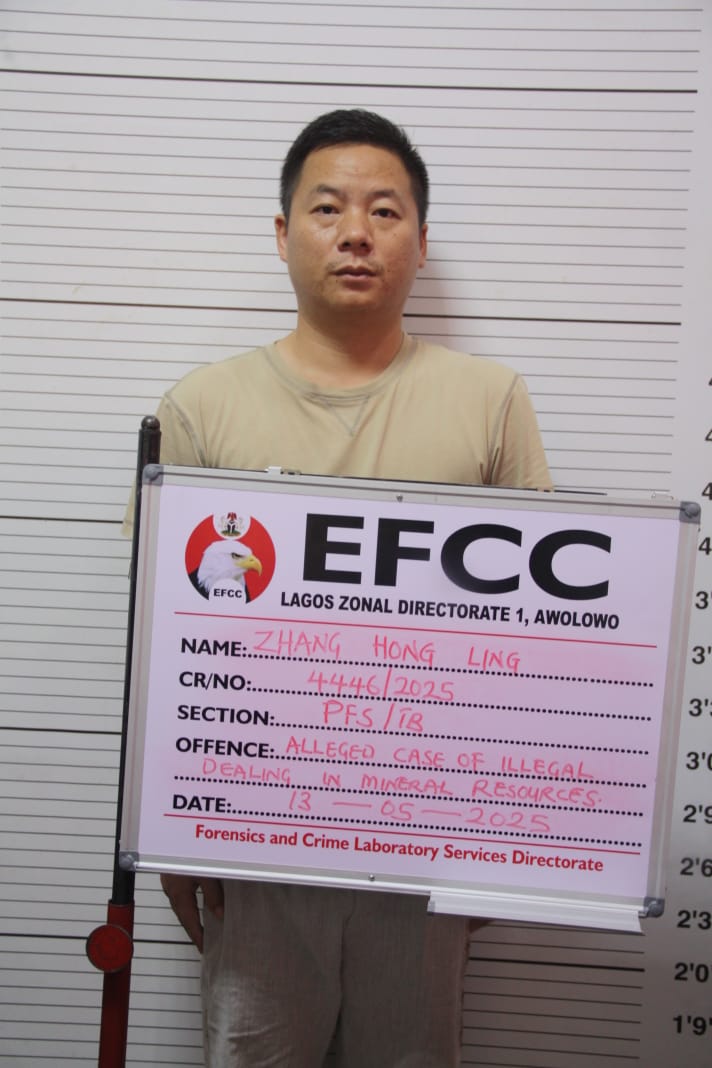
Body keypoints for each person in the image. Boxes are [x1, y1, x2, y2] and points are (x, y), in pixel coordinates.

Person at [141, 109, 552, 1067]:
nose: (356, 232)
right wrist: (159, 830)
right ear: (284, 233)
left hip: (427, 841)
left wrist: (512, 845)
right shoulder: (201, 407)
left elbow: (533, 643)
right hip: (250, 840)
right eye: (327, 208)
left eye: (385, 211)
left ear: (421, 240)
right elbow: (161, 639)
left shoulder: (490, 399)